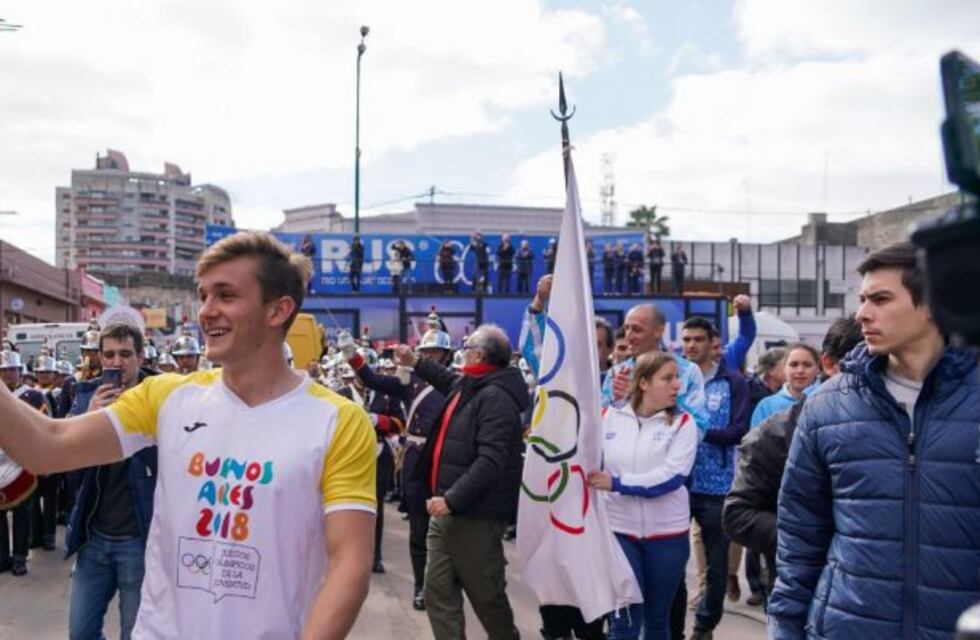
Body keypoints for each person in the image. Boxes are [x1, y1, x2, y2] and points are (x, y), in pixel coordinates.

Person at [0, 231, 377, 638]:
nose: (206, 311)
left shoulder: (337, 420)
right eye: (204, 296)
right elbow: (45, 446)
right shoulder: (167, 396)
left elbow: (349, 565)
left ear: (278, 310)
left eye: (225, 295)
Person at [768, 242, 980, 639]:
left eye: (880, 299)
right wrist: (785, 629)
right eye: (862, 299)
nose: (862, 314)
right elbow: (800, 537)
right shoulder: (828, 407)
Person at [395, 325, 527, 640]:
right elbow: (446, 380)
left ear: (480, 355)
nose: (461, 351)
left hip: (474, 515)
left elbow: (490, 462)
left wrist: (451, 499)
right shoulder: (471, 384)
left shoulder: (495, 397)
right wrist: (415, 362)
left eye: (466, 346)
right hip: (446, 511)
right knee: (436, 592)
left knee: (487, 598)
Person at [723, 316, 862, 603]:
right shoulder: (776, 433)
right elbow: (738, 515)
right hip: (803, 590)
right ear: (830, 365)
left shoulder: (912, 431)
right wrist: (812, 536)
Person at [590, 352, 698, 640]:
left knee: (657, 620)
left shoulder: (683, 424)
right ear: (644, 383)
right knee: (624, 620)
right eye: (668, 378)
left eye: (678, 377)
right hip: (619, 533)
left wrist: (617, 483)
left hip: (668, 536)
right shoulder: (607, 418)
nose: (677, 384)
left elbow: (673, 477)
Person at [345, 324, 452, 611]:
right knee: (418, 530)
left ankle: (443, 587)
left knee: (445, 532)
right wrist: (351, 354)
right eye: (426, 350)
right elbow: (370, 379)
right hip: (416, 460)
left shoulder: (454, 381)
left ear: (444, 355)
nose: (429, 355)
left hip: (442, 458)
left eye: (434, 351)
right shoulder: (409, 381)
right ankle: (421, 587)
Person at [64, 323, 158, 639]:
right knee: (80, 632)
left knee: (134, 633)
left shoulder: (162, 397)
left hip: (139, 540)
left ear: (141, 356)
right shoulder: (85, 395)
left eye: (125, 354)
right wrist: (89, 418)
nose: (116, 362)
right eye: (109, 355)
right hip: (94, 537)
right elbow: (63, 454)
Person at [673, 317, 750, 640]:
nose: (691, 346)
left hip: (717, 485)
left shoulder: (732, 381)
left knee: (717, 567)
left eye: (698, 340)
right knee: (671, 565)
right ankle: (672, 628)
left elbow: (738, 430)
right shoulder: (673, 378)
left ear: (712, 343)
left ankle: (705, 625)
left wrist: (694, 431)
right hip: (675, 483)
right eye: (687, 340)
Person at [0, 348, 46, 576]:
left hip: (22, 462)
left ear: (20, 371)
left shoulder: (33, 396)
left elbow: (43, 428)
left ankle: (19, 557)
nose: (8, 373)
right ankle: (1, 556)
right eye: (4, 369)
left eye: (12, 369)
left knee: (22, 514)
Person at [749, 343, 820, 428]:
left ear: (817, 369)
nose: (800, 370)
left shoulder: (827, 402)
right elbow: (755, 440)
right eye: (793, 364)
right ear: (784, 369)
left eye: (807, 365)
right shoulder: (766, 406)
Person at [746, 347, 787, 413]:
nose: (793, 370)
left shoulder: (786, 392)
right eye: (786, 365)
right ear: (771, 370)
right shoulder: (750, 392)